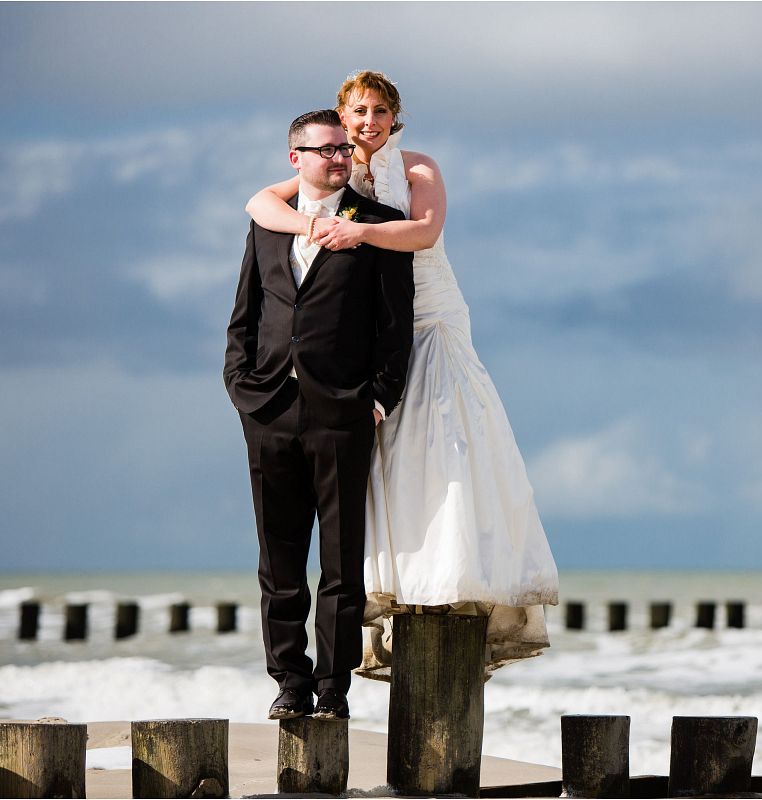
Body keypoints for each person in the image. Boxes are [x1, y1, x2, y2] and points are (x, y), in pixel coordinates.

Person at [246, 72, 558, 680]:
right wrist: (311, 226)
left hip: (428, 316)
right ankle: (392, 578)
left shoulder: (417, 168)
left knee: (441, 448)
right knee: (379, 461)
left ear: (396, 118)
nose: (368, 122)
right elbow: (259, 205)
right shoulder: (328, 170)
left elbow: (425, 230)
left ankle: (445, 573)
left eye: (380, 110)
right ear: (341, 116)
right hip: (359, 335)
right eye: (358, 111)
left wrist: (357, 231)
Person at [225, 109, 415, 719]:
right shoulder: (267, 225)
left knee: (340, 564)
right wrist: (241, 387)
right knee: (277, 561)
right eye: (324, 149)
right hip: (270, 409)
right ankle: (289, 682)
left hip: (343, 412)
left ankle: (333, 691)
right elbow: (247, 312)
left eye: (342, 149)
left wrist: (381, 393)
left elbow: (395, 321)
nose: (337, 157)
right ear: (295, 158)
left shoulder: (379, 225)